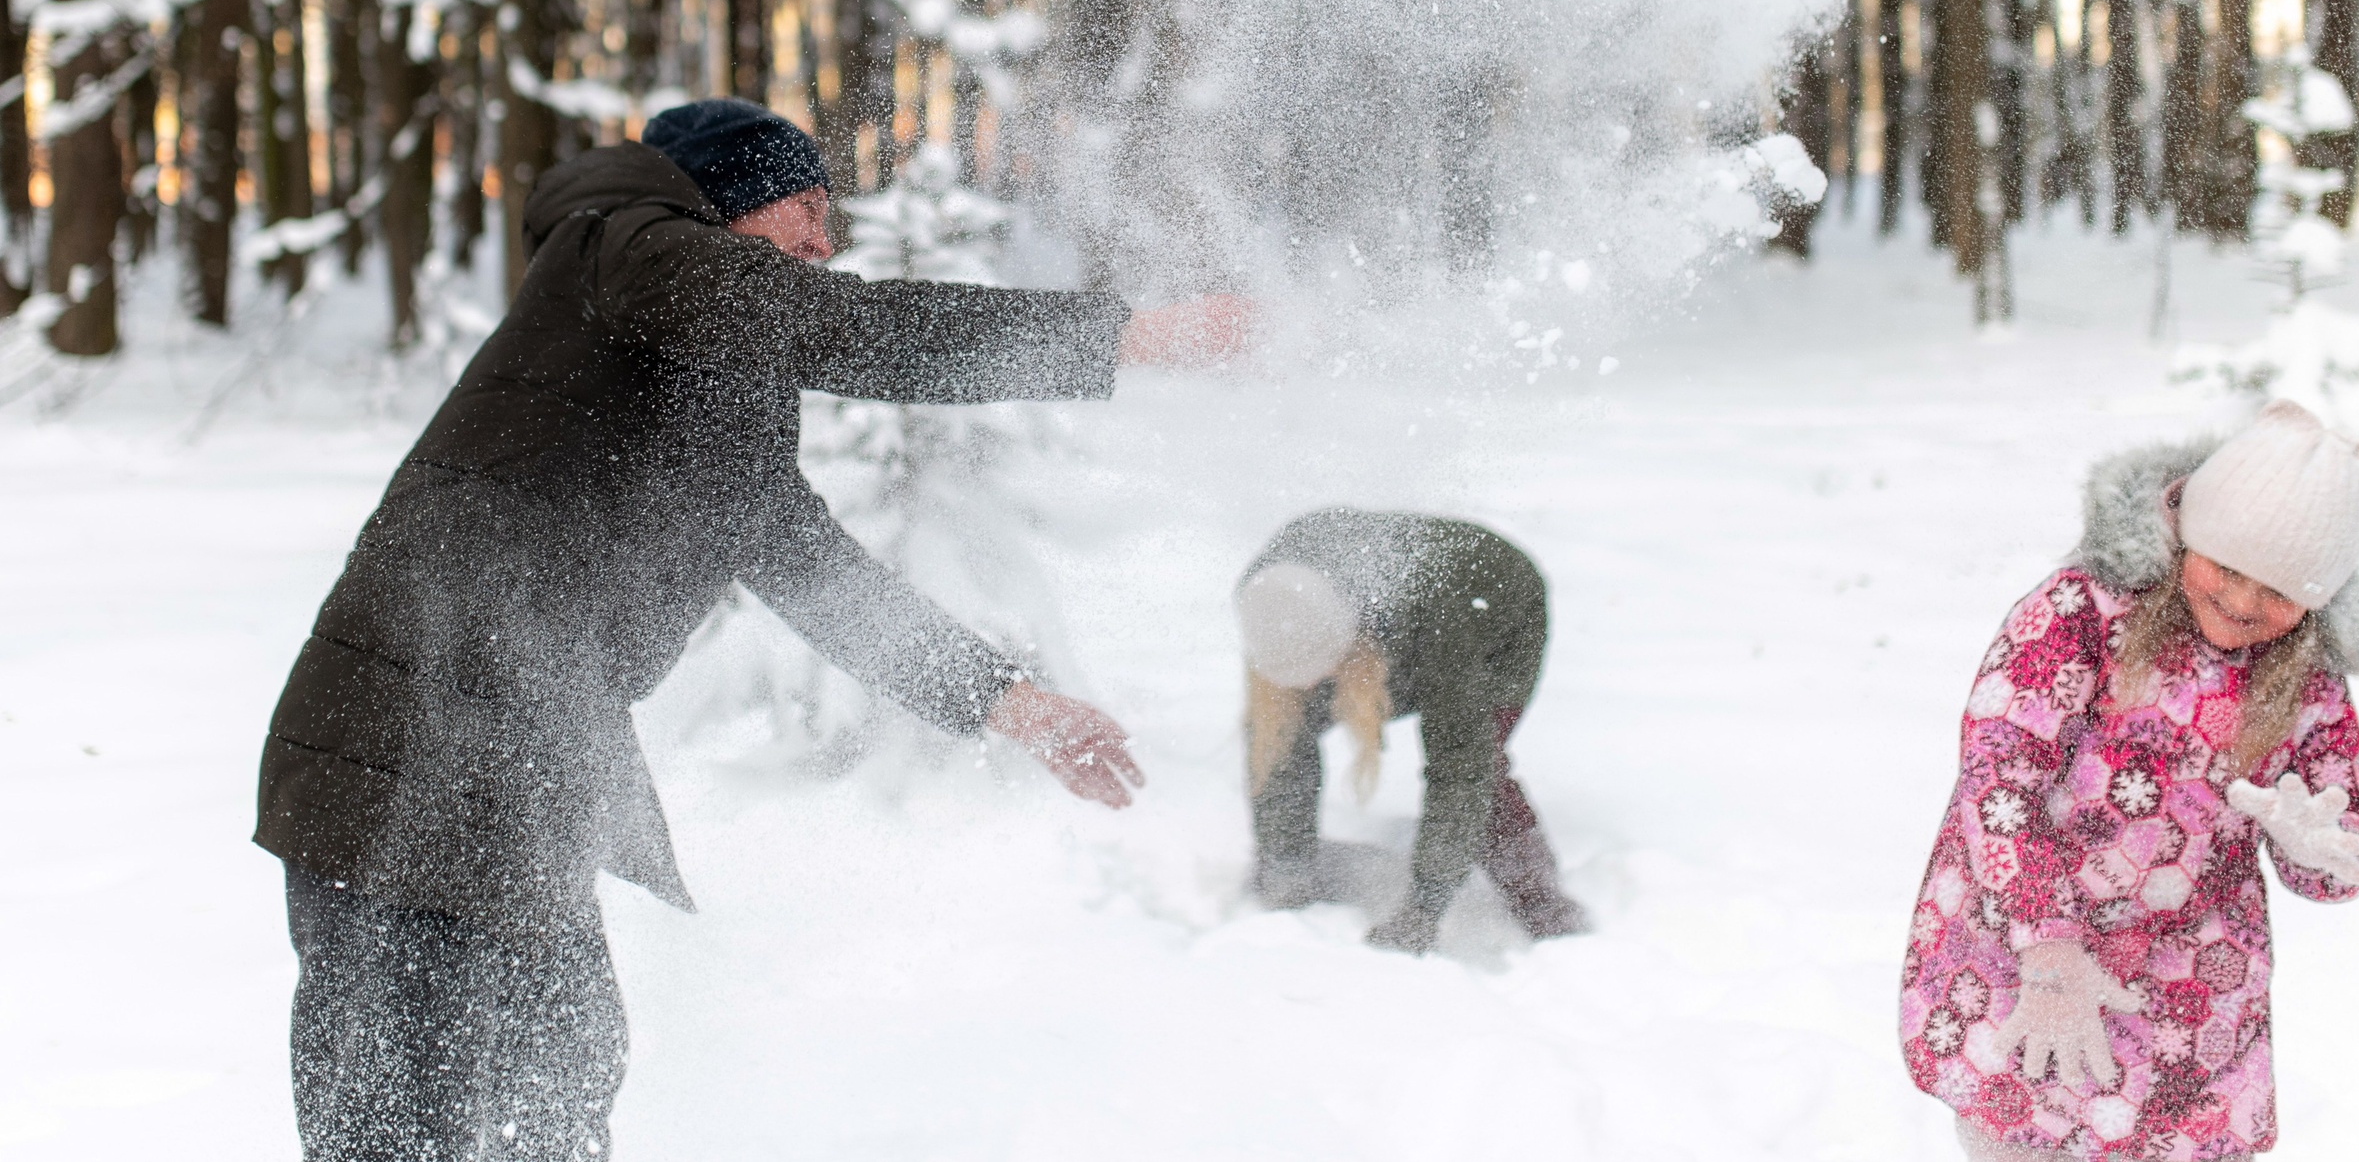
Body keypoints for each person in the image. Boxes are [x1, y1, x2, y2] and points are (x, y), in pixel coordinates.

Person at [256, 99, 1218, 1160]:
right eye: (802, 208)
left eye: (830, 213)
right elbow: (847, 327)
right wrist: (1123, 336)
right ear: (721, 204)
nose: (824, 239)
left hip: (521, 768)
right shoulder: (625, 249)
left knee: (560, 1086)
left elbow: (810, 564)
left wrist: (1008, 702)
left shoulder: (703, 375)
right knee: (409, 1121)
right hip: (406, 750)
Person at [1900, 401, 2359, 1160]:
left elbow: (2348, 836)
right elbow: (1998, 774)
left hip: (2186, 993)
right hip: (2025, 959)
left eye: (2281, 592)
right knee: (2022, 1130)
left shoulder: (2307, 681)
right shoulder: (2082, 612)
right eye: (2227, 567)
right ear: (2190, 528)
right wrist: (2048, 946)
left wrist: (2327, 849)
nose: (2244, 602)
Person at [1236, 507, 1589, 953]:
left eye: (1318, 670)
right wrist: (1283, 866)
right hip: (1387, 631)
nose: (1308, 686)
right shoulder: (1273, 599)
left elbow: (1461, 769)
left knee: (1480, 761)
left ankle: (1539, 899)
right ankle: (1289, 865)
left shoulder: (1443, 619)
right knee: (1284, 722)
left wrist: (1424, 907)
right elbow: (1274, 739)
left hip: (1495, 611)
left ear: (1351, 640)